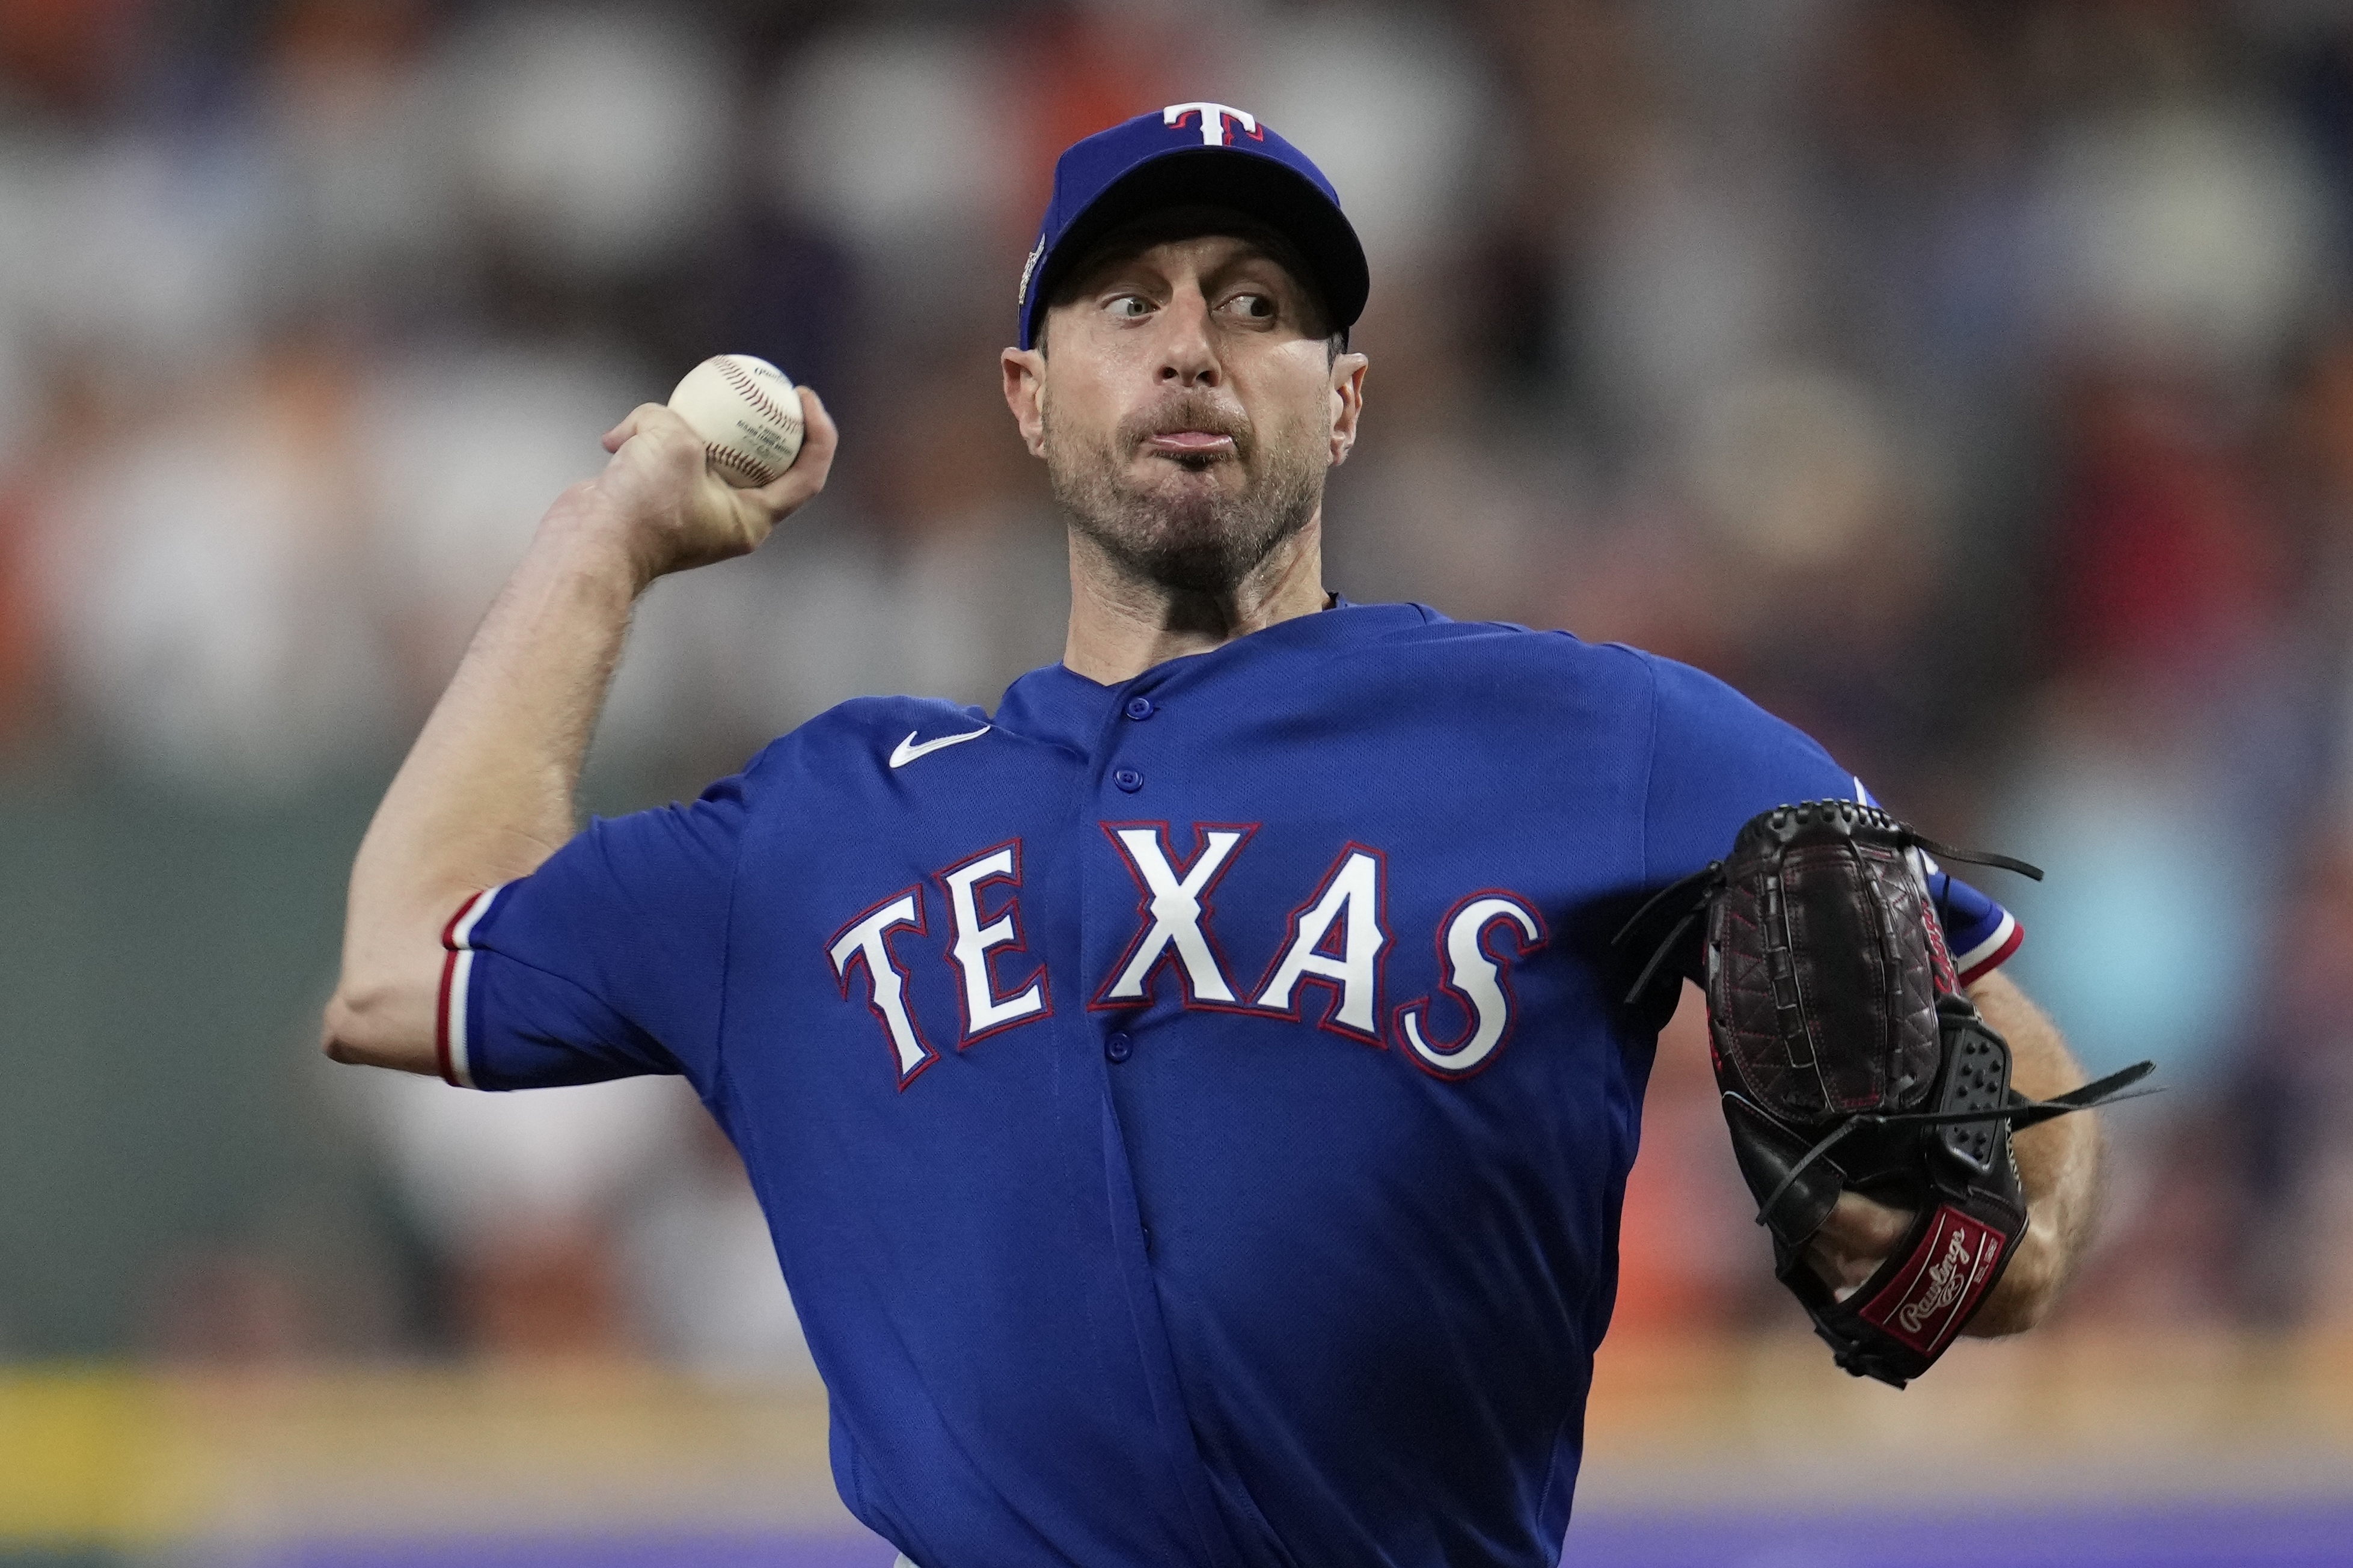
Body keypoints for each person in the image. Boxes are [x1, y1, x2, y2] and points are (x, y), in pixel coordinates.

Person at [323, 105, 2102, 1567]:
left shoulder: (1601, 734)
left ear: (1339, 397)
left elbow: (2010, 1135)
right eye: (1127, 299)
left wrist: (1967, 1249)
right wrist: (601, 546)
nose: (1191, 343)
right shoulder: (822, 820)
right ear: (1028, 395)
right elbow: (409, 961)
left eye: (1259, 305)